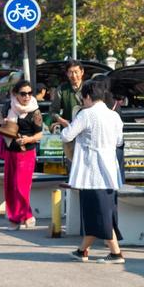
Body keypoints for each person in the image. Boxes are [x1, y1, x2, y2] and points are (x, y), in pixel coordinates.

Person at [61, 76, 126, 263]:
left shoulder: (86, 114)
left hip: (91, 172)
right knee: (103, 211)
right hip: (110, 170)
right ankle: (83, 250)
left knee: (98, 213)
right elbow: (119, 141)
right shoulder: (114, 116)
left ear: (88, 96)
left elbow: (67, 136)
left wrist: (69, 125)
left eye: (83, 97)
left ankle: (115, 253)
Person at [0, 79, 43, 229]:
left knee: (21, 186)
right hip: (11, 151)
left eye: (29, 93)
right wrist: (4, 122)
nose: (27, 97)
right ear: (16, 94)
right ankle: (15, 217)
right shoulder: (8, 105)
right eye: (23, 94)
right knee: (10, 186)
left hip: (27, 152)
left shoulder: (35, 111)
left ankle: (26, 215)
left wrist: (28, 139)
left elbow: (39, 134)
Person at [50, 61, 85, 130]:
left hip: (86, 130)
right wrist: (62, 121)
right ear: (67, 74)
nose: (74, 75)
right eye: (70, 72)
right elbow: (53, 112)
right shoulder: (62, 89)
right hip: (69, 129)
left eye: (76, 72)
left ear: (82, 72)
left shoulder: (89, 87)